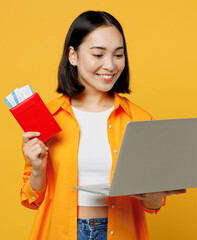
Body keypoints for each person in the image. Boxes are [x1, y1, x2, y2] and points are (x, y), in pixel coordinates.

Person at [20, 10, 186, 240]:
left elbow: (153, 205)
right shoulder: (47, 115)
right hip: (61, 232)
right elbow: (31, 199)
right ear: (73, 56)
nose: (110, 65)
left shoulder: (139, 120)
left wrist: (154, 191)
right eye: (98, 54)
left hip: (121, 232)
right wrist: (37, 169)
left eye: (118, 55)